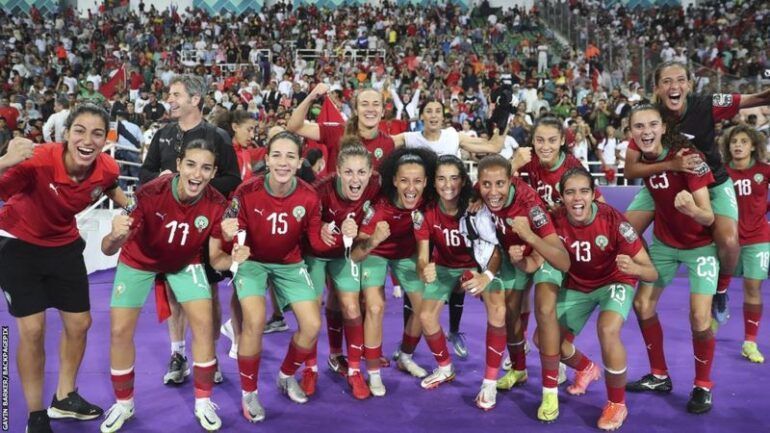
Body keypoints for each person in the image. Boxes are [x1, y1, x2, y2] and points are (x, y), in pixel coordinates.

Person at [0, 104, 127, 433]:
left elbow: (110, 186)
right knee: (33, 331)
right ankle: (36, 415)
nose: (87, 140)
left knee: (80, 323)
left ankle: (64, 397)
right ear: (66, 134)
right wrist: (5, 161)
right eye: (79, 131)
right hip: (18, 243)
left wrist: (137, 207)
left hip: (63, 245)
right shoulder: (37, 160)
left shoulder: (107, 167)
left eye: (97, 133)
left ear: (105, 140)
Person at [623, 60, 770, 325]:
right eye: (667, 81)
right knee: (624, 231)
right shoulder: (649, 117)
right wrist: (671, 165)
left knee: (729, 242)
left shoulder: (708, 104)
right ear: (657, 88)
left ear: (689, 85)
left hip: (711, 182)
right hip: (666, 179)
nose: (674, 86)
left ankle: (720, 290)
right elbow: (630, 170)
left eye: (681, 80)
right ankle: (646, 269)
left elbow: (758, 98)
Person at [99, 139, 229, 432]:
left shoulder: (217, 204)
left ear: (213, 172)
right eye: (191, 164)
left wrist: (239, 259)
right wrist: (114, 236)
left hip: (185, 262)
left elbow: (216, 258)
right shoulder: (149, 194)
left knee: (204, 325)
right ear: (179, 165)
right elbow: (107, 249)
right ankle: (123, 404)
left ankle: (203, 402)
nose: (197, 174)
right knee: (119, 331)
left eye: (205, 168)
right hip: (138, 260)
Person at [209, 131, 328, 422]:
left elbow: (317, 243)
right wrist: (227, 237)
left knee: (312, 325)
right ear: (267, 159)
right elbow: (230, 234)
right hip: (252, 261)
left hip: (290, 263)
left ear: (299, 162)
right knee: (254, 321)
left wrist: (335, 234)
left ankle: (286, 375)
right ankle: (249, 393)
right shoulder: (246, 191)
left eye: (290, 156)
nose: (283, 162)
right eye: (277, 155)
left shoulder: (309, 196)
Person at [528, 167, 657, 431]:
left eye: (584, 191)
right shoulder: (554, 220)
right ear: (561, 196)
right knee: (543, 339)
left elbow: (651, 272)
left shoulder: (614, 220)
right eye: (570, 192)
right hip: (577, 285)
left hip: (614, 281)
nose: (577, 198)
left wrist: (634, 268)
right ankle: (586, 367)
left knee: (607, 329)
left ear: (593, 194)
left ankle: (617, 404)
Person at [139, 74, 240, 386]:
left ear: (195, 100)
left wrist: (196, 184)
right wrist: (164, 180)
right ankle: (178, 354)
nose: (169, 100)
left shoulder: (218, 136)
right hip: (169, 227)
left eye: (176, 94)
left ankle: (210, 356)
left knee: (208, 292)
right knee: (173, 290)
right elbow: (145, 173)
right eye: (170, 94)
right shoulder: (162, 134)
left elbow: (232, 178)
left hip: (205, 226)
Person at [391, 98, 507, 358]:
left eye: (437, 111)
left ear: (443, 116)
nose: (433, 115)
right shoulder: (409, 138)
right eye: (428, 110)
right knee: (418, 277)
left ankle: (454, 331)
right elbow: (380, 144)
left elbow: (493, 146)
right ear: (420, 115)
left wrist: (502, 120)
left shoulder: (453, 136)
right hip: (422, 212)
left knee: (458, 272)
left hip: (453, 209)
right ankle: (407, 340)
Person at [624, 105, 718, 414]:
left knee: (700, 319)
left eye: (652, 124)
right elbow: (630, 172)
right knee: (642, 305)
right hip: (664, 243)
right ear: (631, 133)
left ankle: (703, 385)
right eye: (639, 127)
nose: (646, 131)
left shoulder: (689, 157)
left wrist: (692, 210)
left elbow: (708, 217)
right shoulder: (640, 155)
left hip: (700, 246)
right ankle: (659, 375)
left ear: (664, 127)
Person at [475, 154, 570, 418]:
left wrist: (529, 238)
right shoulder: (482, 190)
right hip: (514, 255)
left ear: (511, 181)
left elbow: (560, 255)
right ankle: (519, 369)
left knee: (545, 311)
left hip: (545, 252)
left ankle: (550, 392)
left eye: (500, 184)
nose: (493, 192)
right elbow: (484, 183)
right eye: (486, 185)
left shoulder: (531, 205)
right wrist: (474, 196)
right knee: (510, 311)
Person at [351, 146, 437, 397]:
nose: (411, 188)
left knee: (425, 309)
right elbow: (356, 254)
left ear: (426, 182)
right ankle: (374, 373)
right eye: (404, 181)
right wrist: (374, 240)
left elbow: (463, 194)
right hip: (375, 253)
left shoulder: (428, 203)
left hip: (407, 255)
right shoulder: (379, 207)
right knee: (375, 307)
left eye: (417, 181)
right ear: (394, 181)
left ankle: (405, 357)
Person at [415, 155, 503, 389]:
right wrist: (424, 269)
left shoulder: (476, 207)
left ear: (463, 181)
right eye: (441, 178)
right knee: (426, 316)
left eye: (454, 178)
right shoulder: (426, 211)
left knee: (499, 310)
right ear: (433, 182)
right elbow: (422, 257)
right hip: (443, 267)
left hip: (476, 266)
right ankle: (445, 368)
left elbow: (495, 249)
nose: (448, 185)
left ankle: (494, 379)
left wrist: (486, 276)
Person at [305, 140, 381, 399]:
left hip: (344, 254)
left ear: (370, 173)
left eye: (361, 172)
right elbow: (302, 222)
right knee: (311, 311)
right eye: (348, 172)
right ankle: (310, 369)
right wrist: (319, 227)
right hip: (316, 253)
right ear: (337, 171)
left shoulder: (377, 184)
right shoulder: (319, 190)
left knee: (351, 306)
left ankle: (354, 370)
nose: (355, 179)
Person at [721, 125, 770, 363]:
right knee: (717, 287)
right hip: (727, 239)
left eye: (743, 141)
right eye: (734, 142)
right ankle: (713, 321)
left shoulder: (764, 170)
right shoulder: (721, 173)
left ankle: (749, 342)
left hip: (758, 238)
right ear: (728, 146)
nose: (738, 145)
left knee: (753, 287)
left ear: (752, 146)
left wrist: (762, 211)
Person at [288, 83, 395, 173]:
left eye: (376, 104)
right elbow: (295, 127)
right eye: (364, 104)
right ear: (356, 110)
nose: (370, 109)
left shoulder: (388, 143)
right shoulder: (337, 131)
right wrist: (311, 97)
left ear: (383, 112)